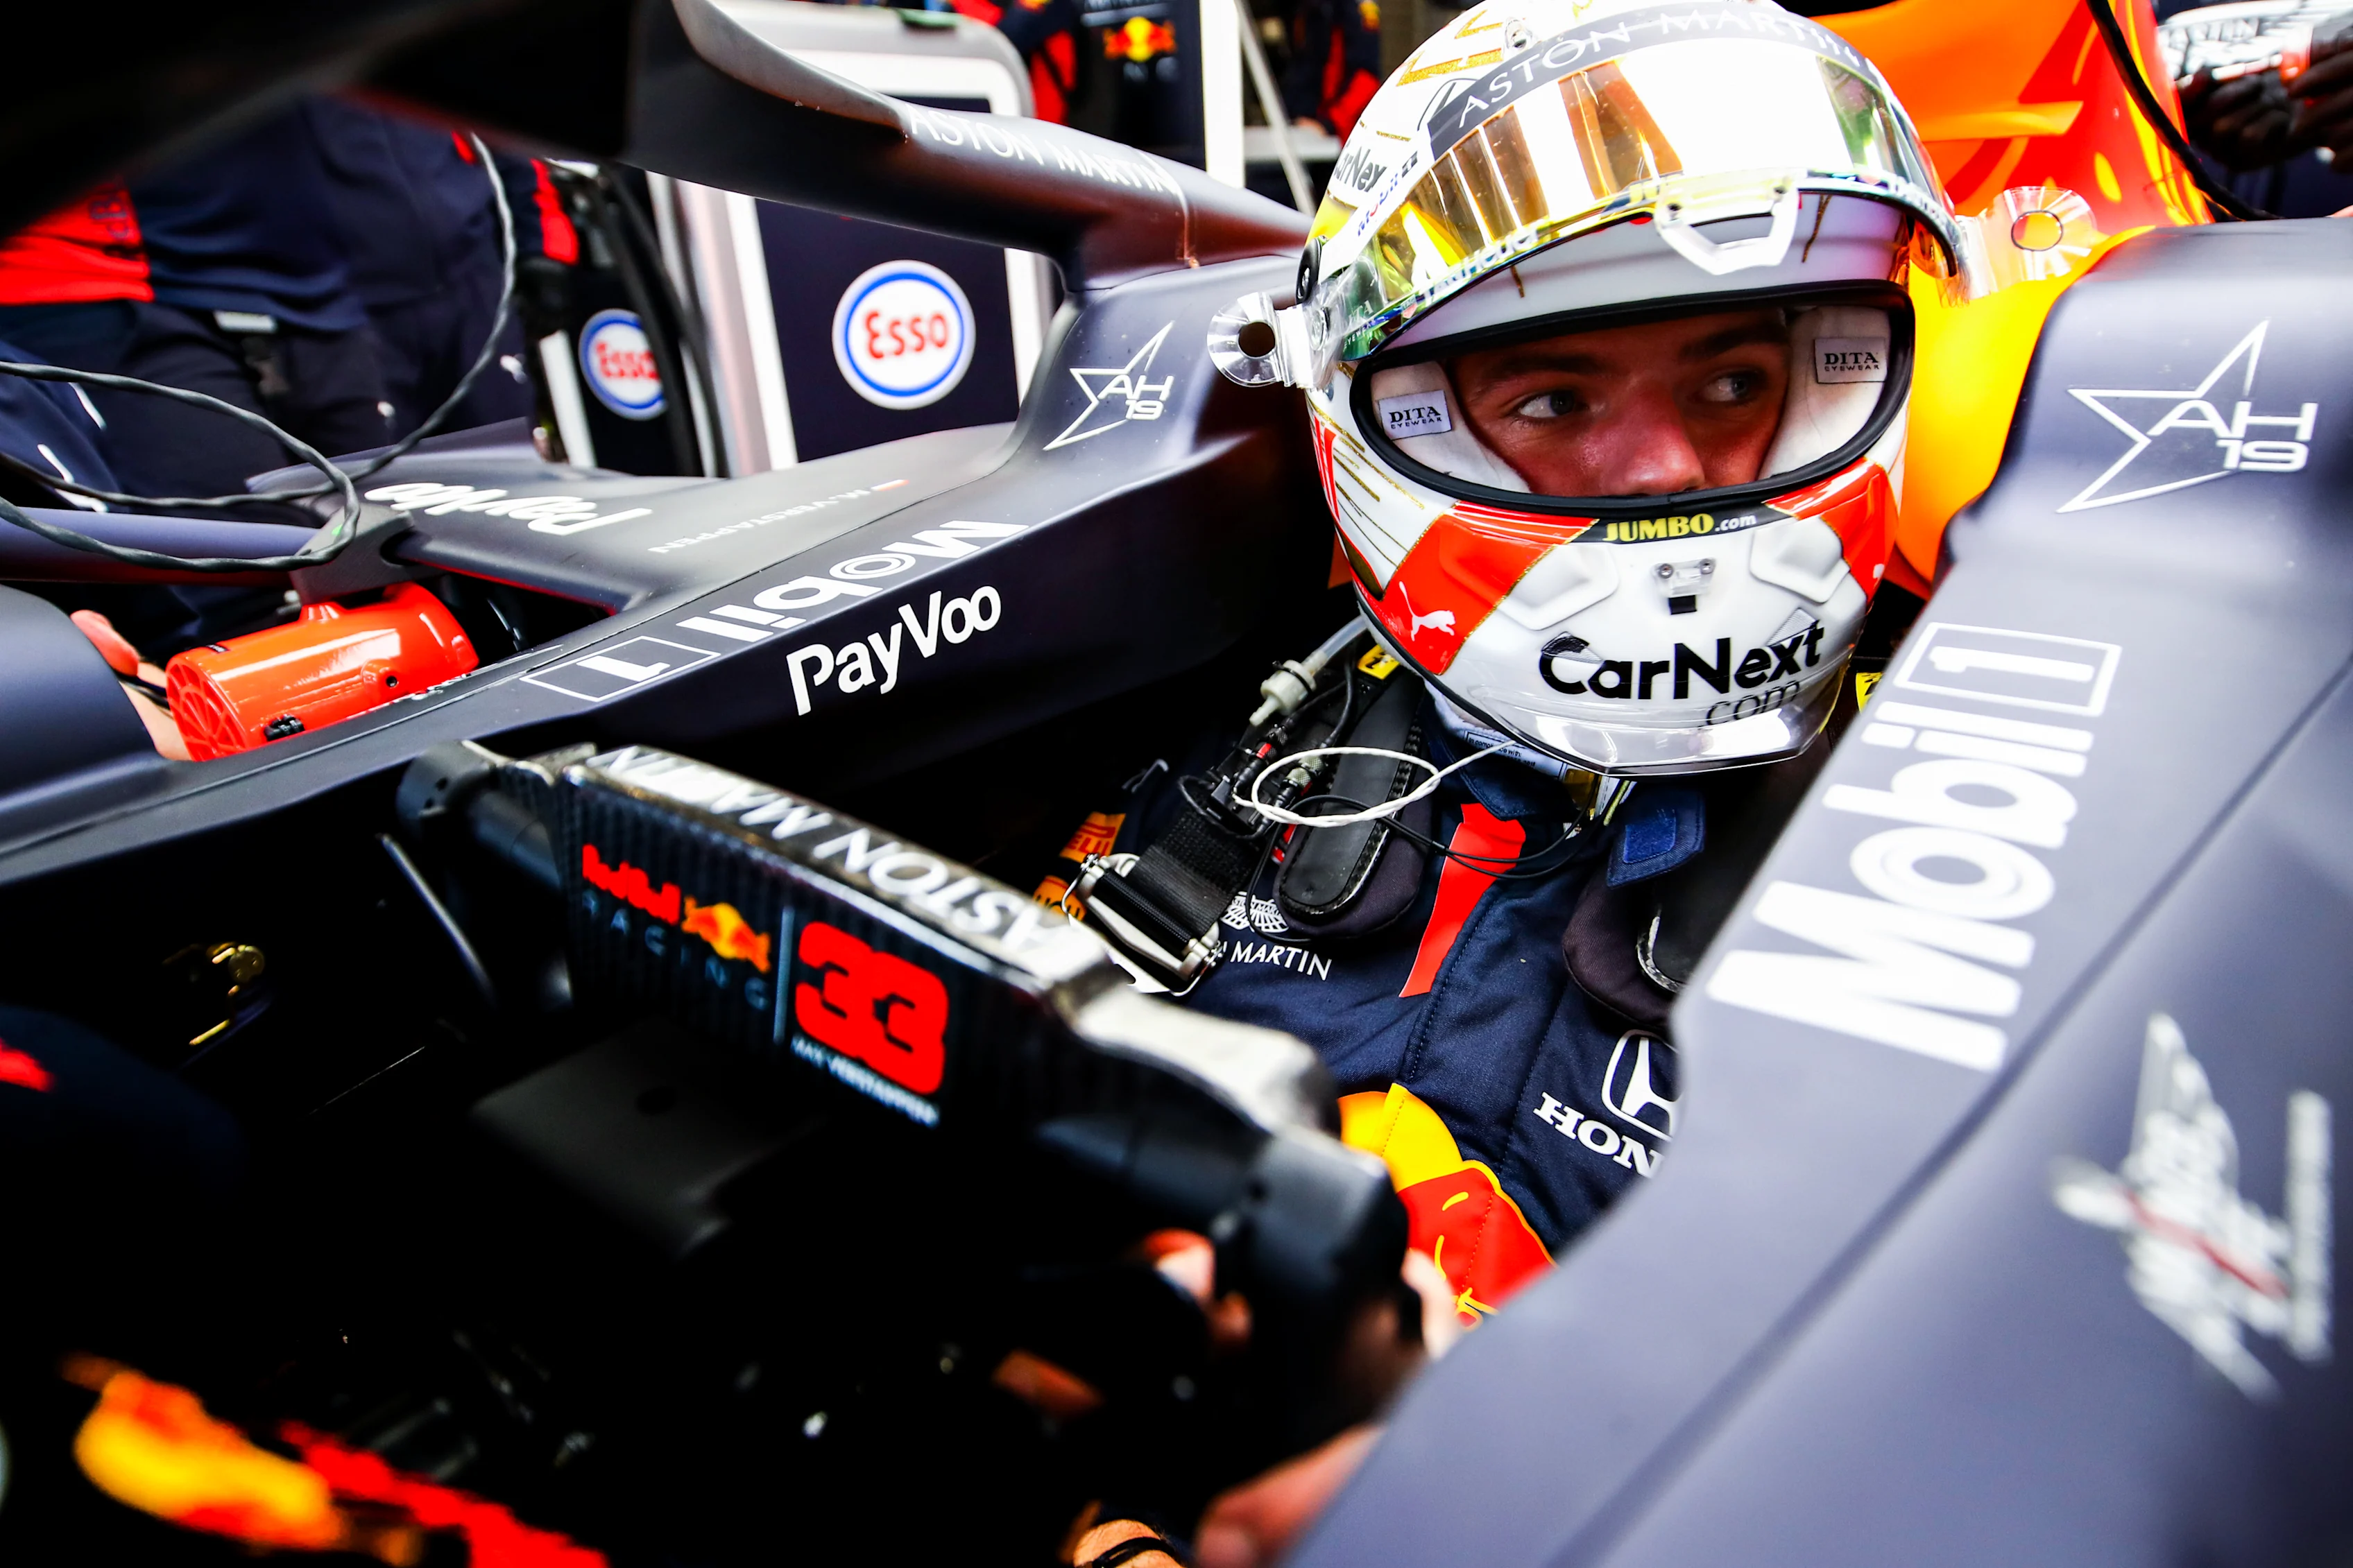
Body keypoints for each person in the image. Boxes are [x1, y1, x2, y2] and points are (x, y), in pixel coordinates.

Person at [1046, 3, 1962, 1558]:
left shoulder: (1966, 823)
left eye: (1733, 380)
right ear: (1392, 416)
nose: (1665, 469)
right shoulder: (1248, 742)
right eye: (1552, 402)